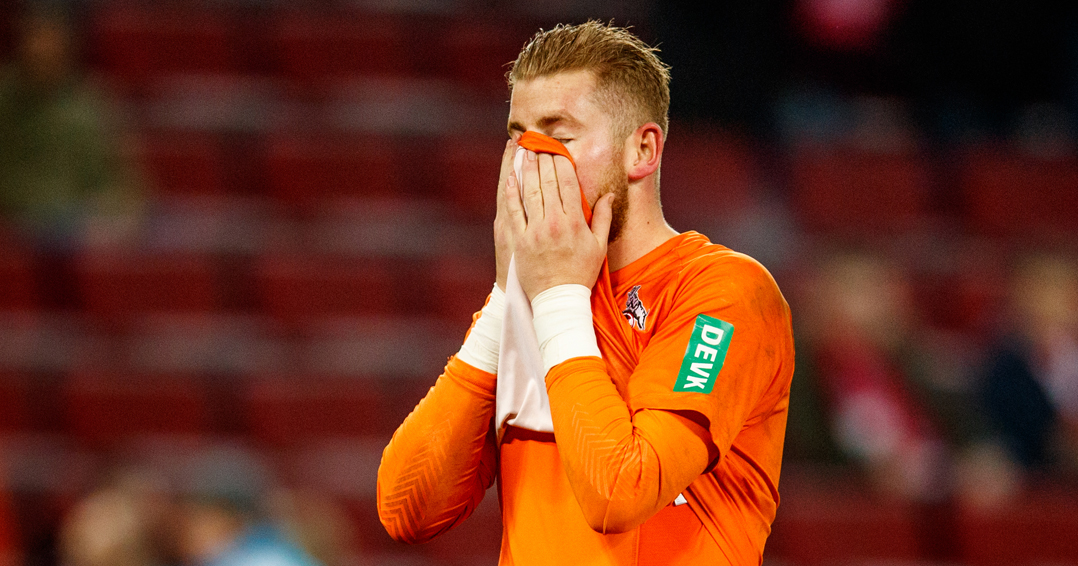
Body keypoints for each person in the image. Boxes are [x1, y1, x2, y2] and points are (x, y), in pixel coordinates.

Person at [377, 21, 795, 565]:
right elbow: (407, 510)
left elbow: (620, 492)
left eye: (558, 134)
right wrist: (508, 296)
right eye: (517, 135)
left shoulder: (724, 292)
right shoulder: (529, 300)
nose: (530, 159)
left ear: (642, 150)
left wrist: (554, 298)